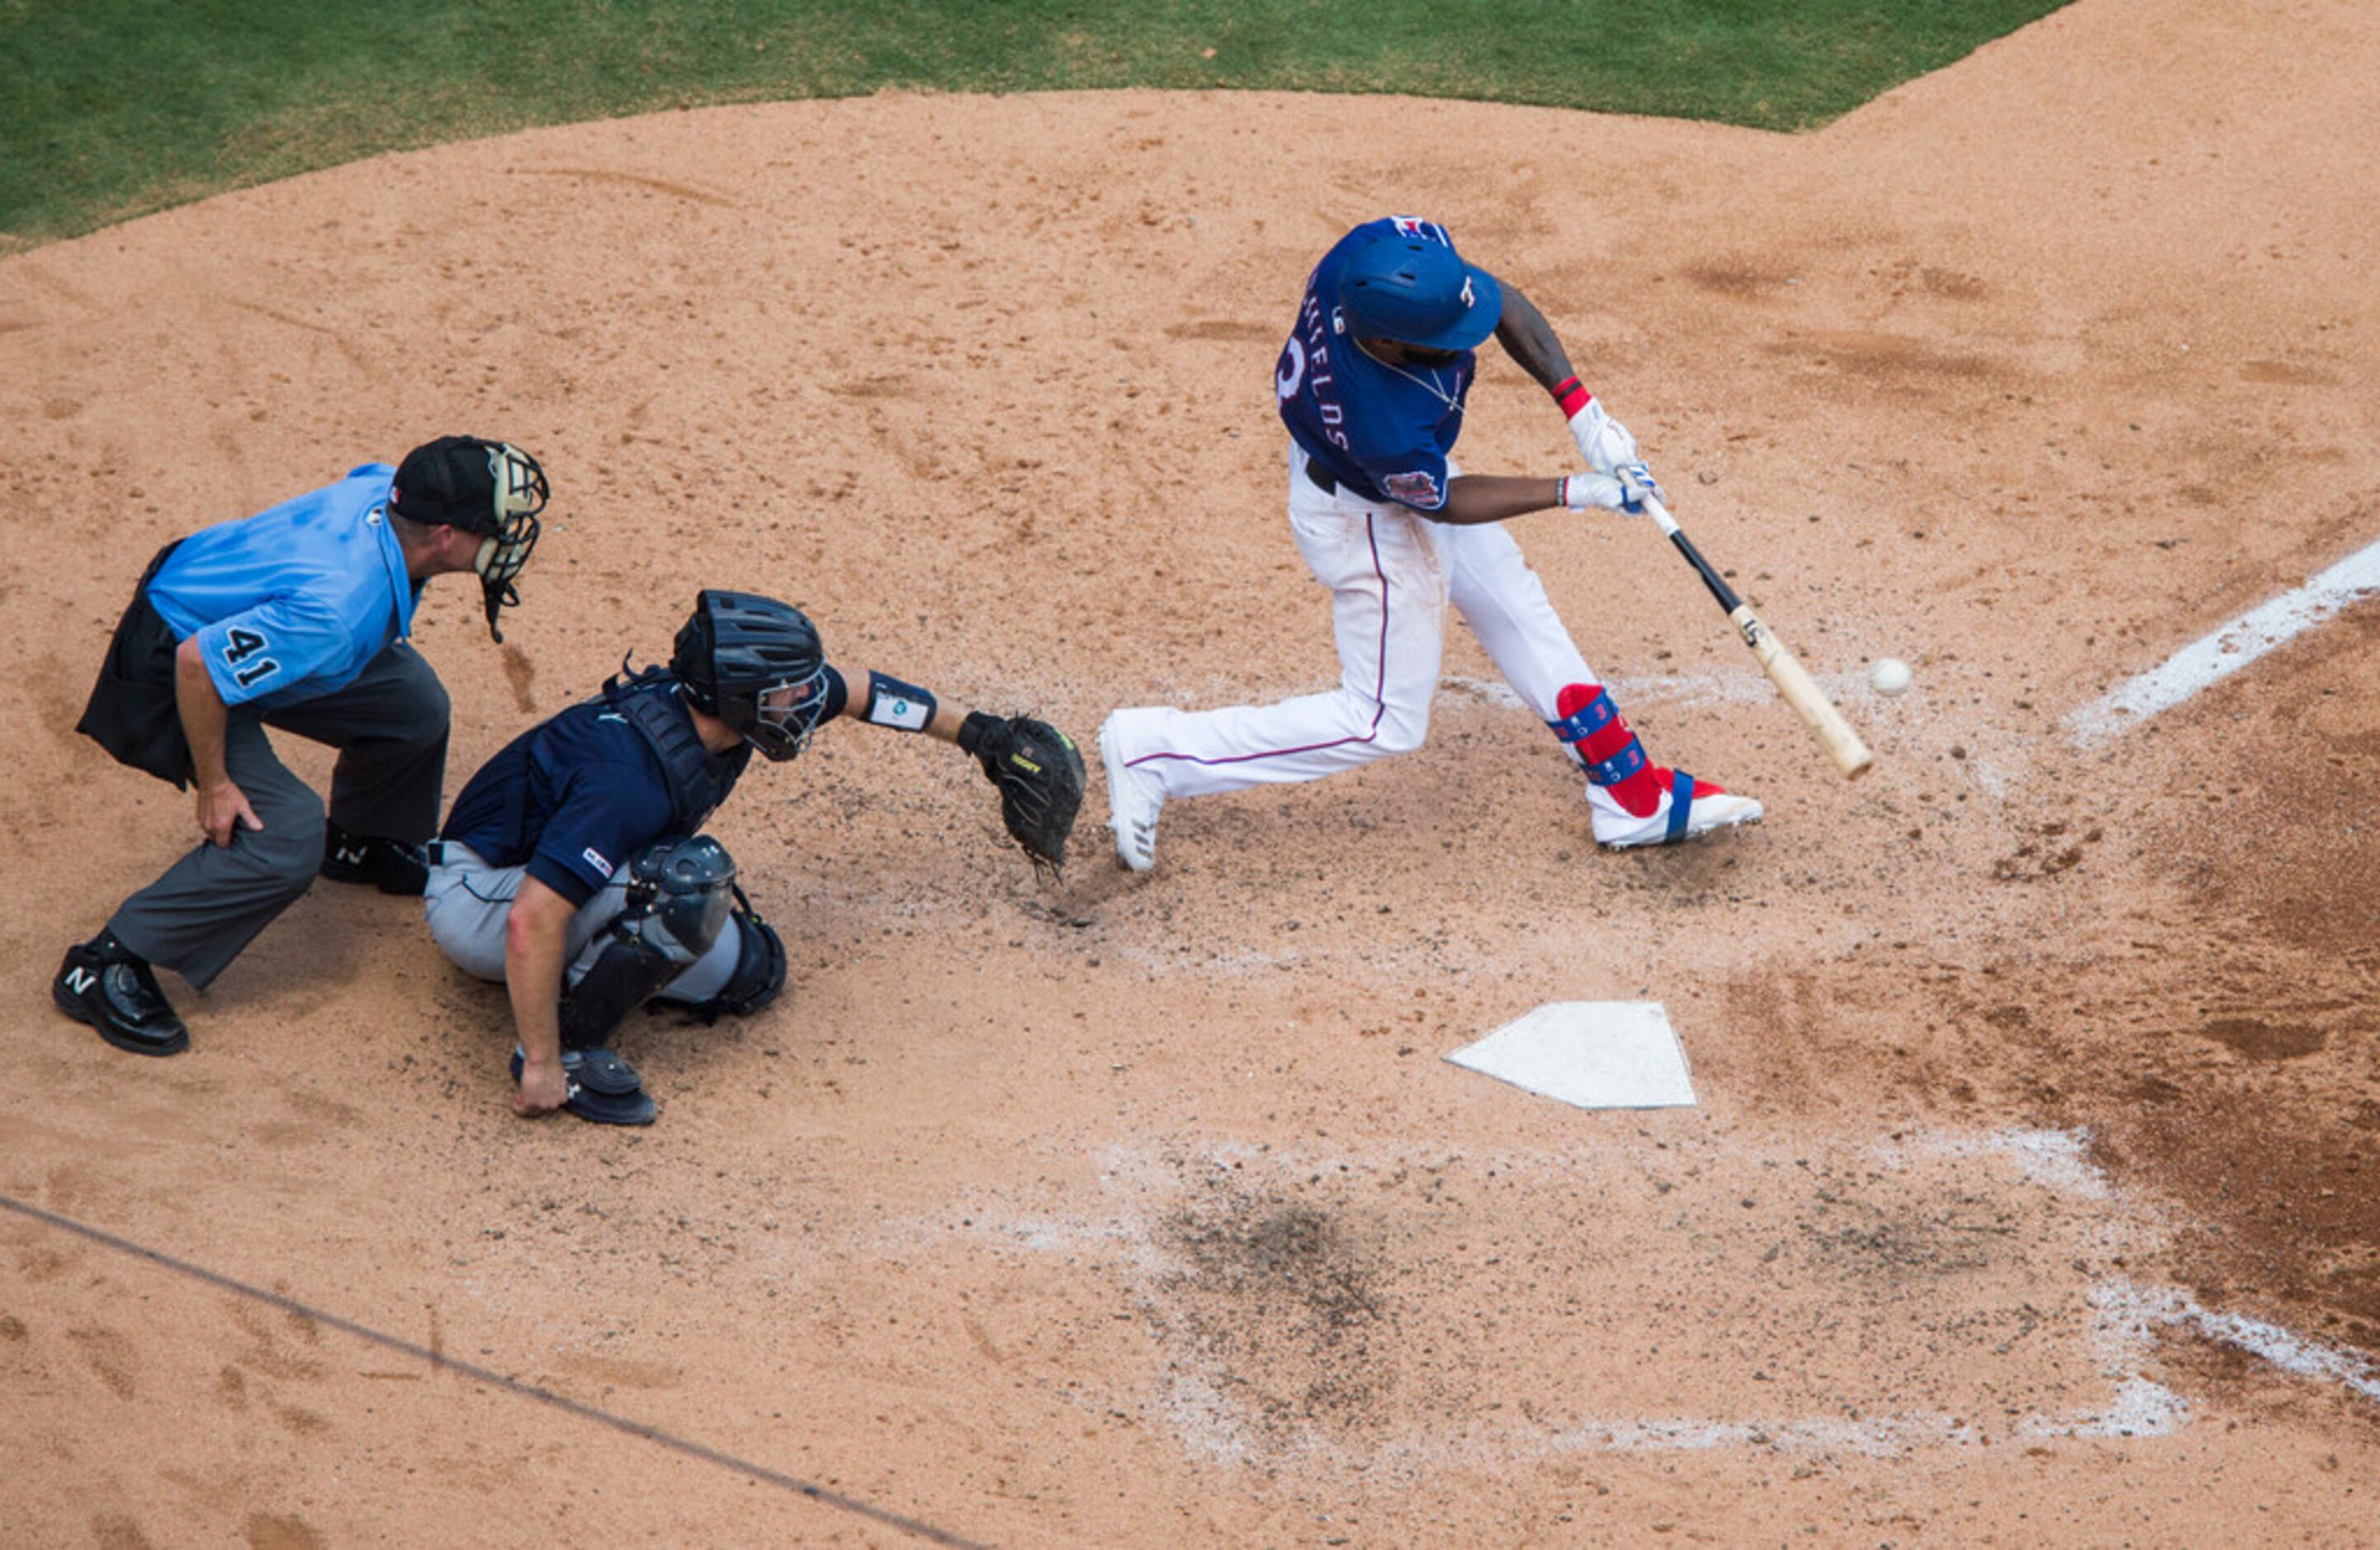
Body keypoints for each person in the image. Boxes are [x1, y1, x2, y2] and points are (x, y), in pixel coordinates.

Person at [1097, 216, 1762, 872]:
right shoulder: (1380, 419)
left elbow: (1493, 298)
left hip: (1378, 478)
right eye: (1442, 343)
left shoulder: (1368, 256)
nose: (1460, 345)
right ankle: (1154, 752)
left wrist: (1582, 410)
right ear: (1386, 344)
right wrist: (1574, 490)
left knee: (1509, 597)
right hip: (1368, 521)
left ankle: (1628, 790)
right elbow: (1442, 503)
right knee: (1381, 720)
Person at [423, 588, 1083, 1126]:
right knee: (684, 888)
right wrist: (539, 1063)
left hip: (543, 882)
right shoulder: (624, 776)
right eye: (791, 692)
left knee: (753, 973)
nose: (806, 699)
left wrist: (981, 736)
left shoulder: (727, 709)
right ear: (741, 696)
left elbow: (859, 692)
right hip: (480, 895)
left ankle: (577, 964)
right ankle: (563, 1050)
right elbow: (529, 919)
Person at [54, 437, 551, 1056]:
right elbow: (197, 666)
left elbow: (358, 486)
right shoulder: (338, 610)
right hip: (175, 663)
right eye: (496, 527)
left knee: (412, 705)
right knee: (285, 834)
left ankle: (363, 841)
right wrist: (214, 784)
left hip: (253, 619)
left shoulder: (389, 493)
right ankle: (108, 962)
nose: (509, 538)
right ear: (445, 537)